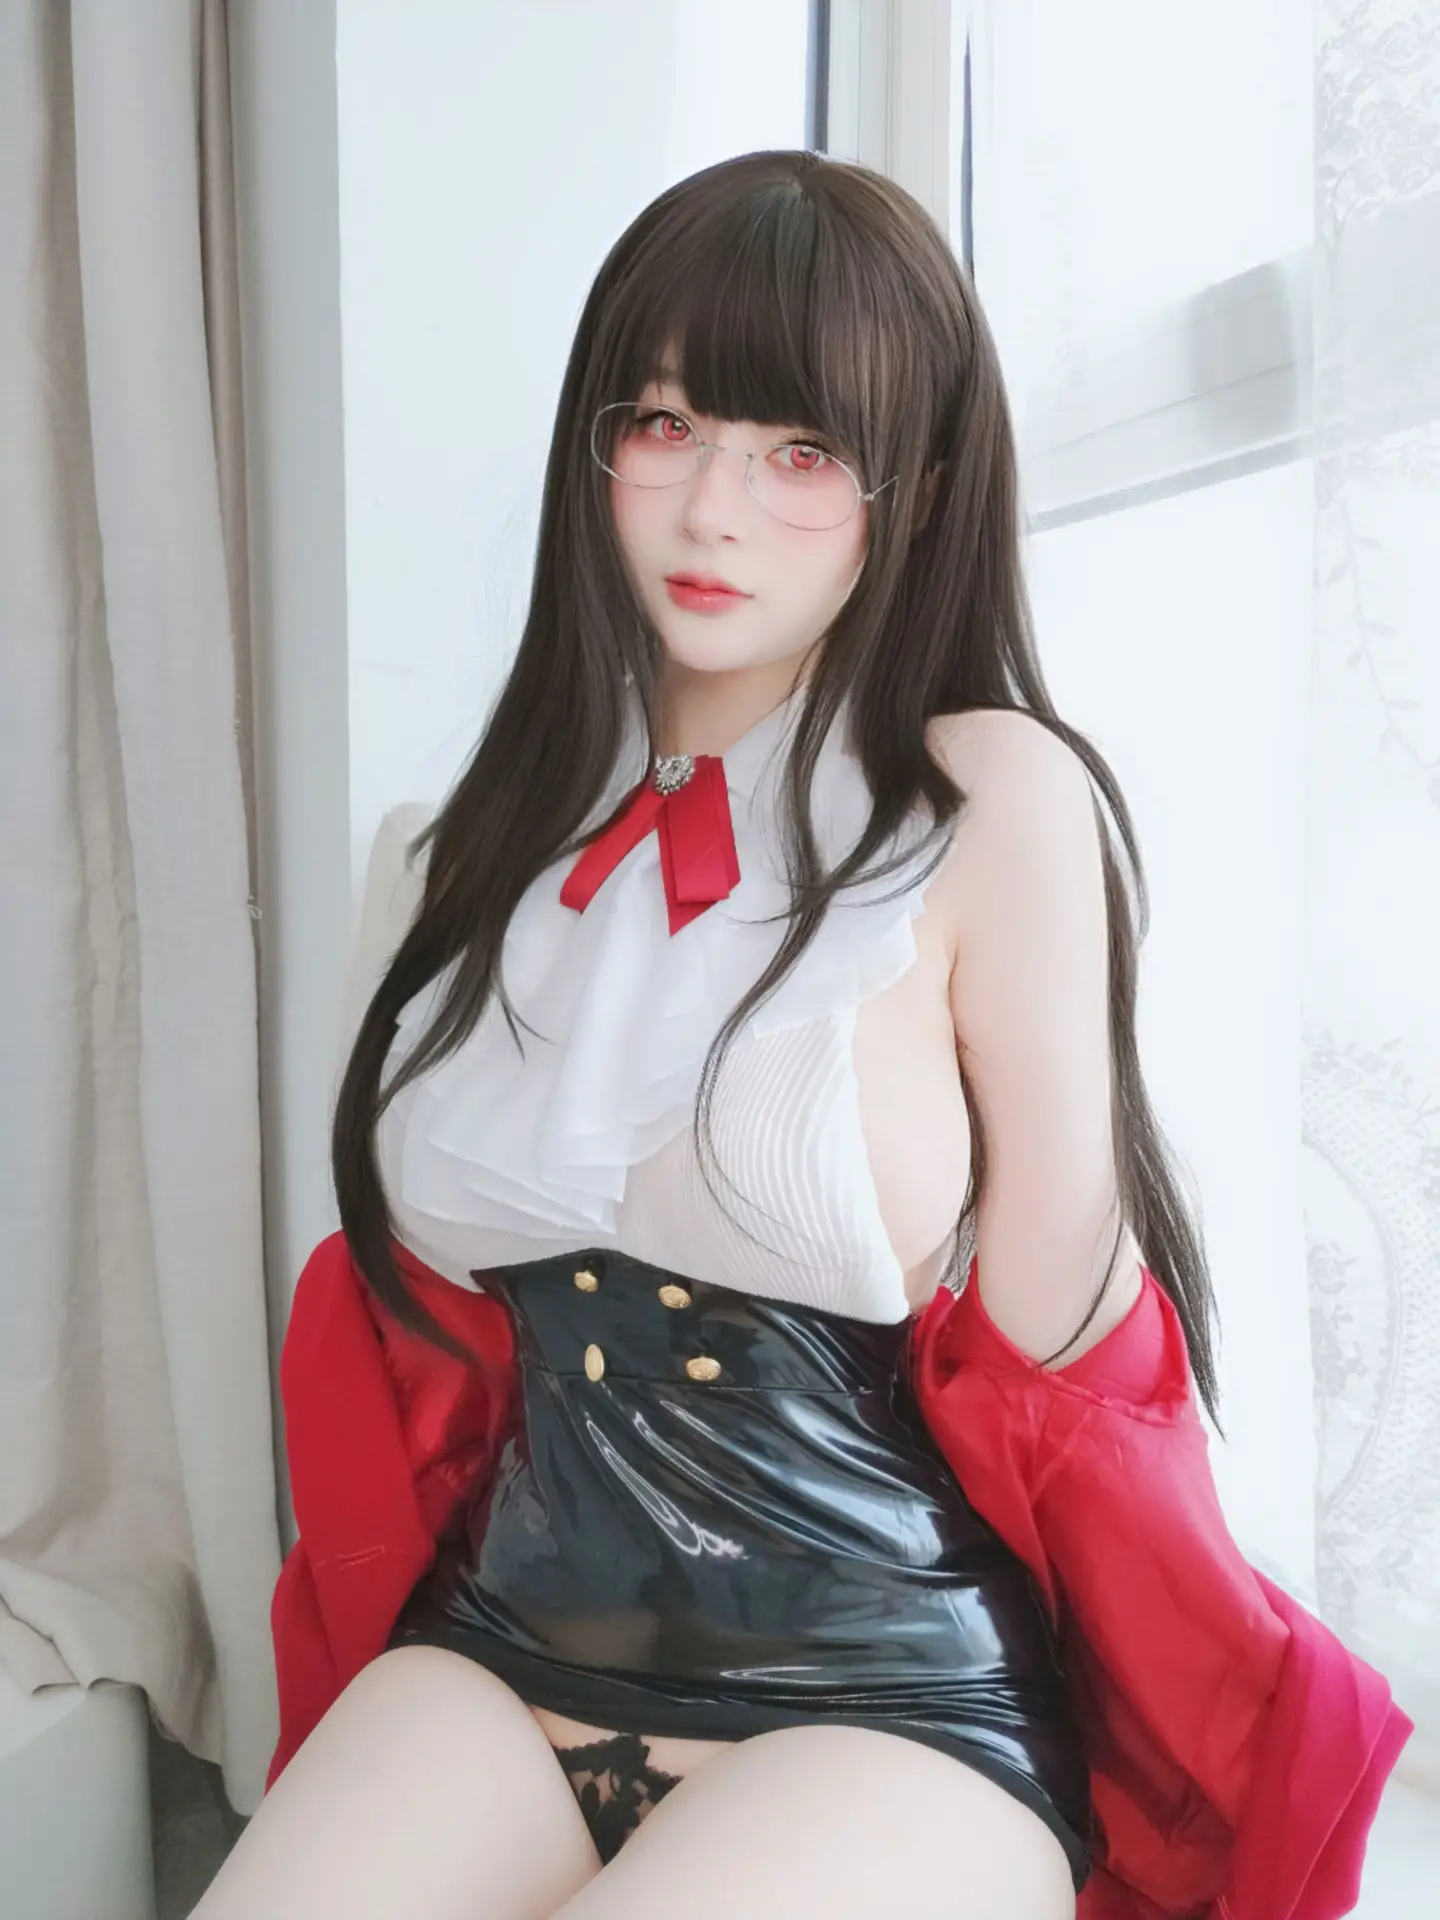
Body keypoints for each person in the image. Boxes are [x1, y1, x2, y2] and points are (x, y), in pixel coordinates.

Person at [192, 151, 1406, 1920]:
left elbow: (1067, 1358)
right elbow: (408, 1338)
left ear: (918, 491)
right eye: (666, 423)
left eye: (803, 452)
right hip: (503, 1650)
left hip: (887, 1702)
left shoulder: (986, 798)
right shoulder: (475, 844)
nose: (713, 511)